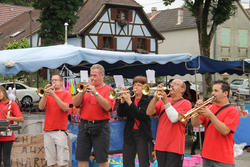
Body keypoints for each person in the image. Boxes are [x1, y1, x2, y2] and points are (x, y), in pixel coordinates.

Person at [73, 64, 115, 167]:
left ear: (102, 76)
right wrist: (82, 92)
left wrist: (96, 93)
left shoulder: (109, 90)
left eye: (95, 76)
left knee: (102, 159)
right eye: (91, 75)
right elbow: (75, 103)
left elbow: (108, 107)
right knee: (82, 157)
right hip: (84, 125)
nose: (92, 78)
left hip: (101, 126)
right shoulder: (85, 89)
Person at [191, 80, 240, 167]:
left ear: (225, 93)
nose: (213, 93)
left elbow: (225, 131)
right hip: (207, 156)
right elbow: (195, 124)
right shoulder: (209, 107)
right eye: (213, 90)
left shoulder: (233, 111)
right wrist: (196, 111)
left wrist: (210, 115)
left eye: (216, 91)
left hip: (223, 158)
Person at [146, 79, 192, 167]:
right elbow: (149, 112)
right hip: (160, 145)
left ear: (182, 89)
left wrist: (165, 101)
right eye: (171, 84)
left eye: (175, 84)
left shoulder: (186, 103)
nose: (172, 85)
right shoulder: (162, 101)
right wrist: (155, 98)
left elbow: (174, 118)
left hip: (175, 147)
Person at [117, 76, 153, 167]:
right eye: (134, 84)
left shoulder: (148, 100)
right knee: (127, 162)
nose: (136, 87)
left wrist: (129, 102)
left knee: (143, 161)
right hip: (129, 133)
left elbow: (141, 115)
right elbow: (121, 114)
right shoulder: (131, 98)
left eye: (139, 85)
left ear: (145, 87)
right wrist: (122, 102)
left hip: (143, 134)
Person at [38, 72, 72, 167]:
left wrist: (54, 95)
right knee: (51, 162)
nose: (53, 82)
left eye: (56, 80)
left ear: (61, 82)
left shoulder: (67, 94)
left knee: (62, 162)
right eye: (52, 80)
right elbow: (41, 107)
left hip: (60, 131)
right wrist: (45, 93)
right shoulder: (48, 95)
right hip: (48, 131)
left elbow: (66, 108)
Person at [0, 85, 24, 167]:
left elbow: (21, 119)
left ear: (4, 92)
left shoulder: (12, 104)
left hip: (7, 135)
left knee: (6, 159)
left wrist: (10, 118)